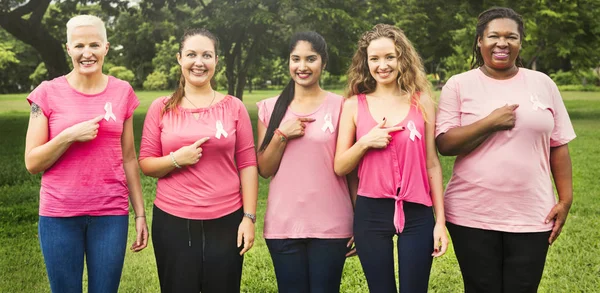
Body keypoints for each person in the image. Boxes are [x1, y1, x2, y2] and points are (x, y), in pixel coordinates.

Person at [435, 7, 576, 293]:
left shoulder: (543, 83)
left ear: (520, 42)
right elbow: (445, 143)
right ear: (479, 41)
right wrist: (490, 123)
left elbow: (558, 145)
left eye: (511, 36)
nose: (502, 43)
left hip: (532, 213)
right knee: (480, 288)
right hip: (471, 213)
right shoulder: (459, 84)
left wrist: (566, 200)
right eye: (493, 36)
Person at [24, 15, 148, 293]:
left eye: (94, 44)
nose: (87, 53)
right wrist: (69, 135)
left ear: (106, 47)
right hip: (59, 215)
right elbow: (32, 162)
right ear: (68, 48)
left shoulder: (122, 92)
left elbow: (129, 157)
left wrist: (140, 214)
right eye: (79, 46)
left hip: (110, 215)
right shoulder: (46, 94)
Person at [138, 28, 258, 293]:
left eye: (207, 55)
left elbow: (248, 164)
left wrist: (248, 217)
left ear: (217, 60)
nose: (199, 62)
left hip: (227, 221)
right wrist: (176, 159)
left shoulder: (234, 107)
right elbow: (146, 163)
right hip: (173, 222)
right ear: (180, 58)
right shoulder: (161, 108)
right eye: (191, 54)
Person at [334, 24, 448, 293]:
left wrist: (440, 221)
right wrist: (365, 142)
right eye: (374, 58)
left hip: (418, 211)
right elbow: (340, 166)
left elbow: (432, 163)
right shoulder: (353, 105)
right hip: (371, 212)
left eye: (389, 57)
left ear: (402, 59)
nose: (382, 65)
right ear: (366, 62)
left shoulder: (422, 102)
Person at [256, 31, 355, 293]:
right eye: (295, 59)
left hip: (332, 226)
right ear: (288, 61)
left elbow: (352, 172)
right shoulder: (269, 108)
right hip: (283, 227)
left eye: (310, 59)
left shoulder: (342, 106)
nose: (302, 66)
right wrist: (281, 135)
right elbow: (264, 169)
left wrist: (359, 219)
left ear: (323, 62)